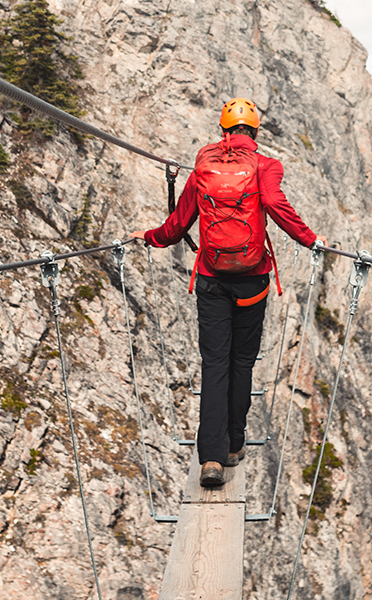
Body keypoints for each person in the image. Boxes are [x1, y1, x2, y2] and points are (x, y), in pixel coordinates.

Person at [130, 97, 321, 487]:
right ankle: (235, 444)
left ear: (224, 131)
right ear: (255, 132)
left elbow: (178, 224)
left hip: (212, 280)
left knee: (215, 364)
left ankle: (212, 460)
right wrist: (310, 239)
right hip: (252, 281)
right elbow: (273, 202)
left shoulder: (204, 166)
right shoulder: (266, 166)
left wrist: (149, 237)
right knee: (242, 362)